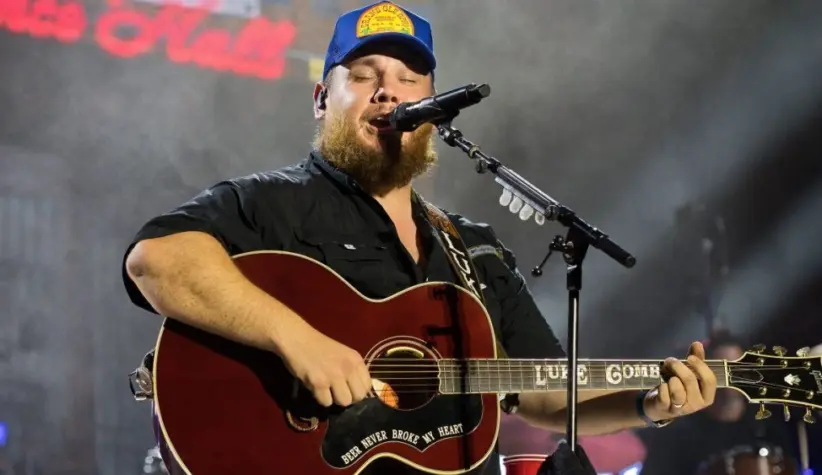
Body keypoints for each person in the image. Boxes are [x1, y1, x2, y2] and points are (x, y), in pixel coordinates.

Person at [121, 2, 718, 474]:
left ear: (431, 110)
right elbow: (157, 260)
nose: (389, 92)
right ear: (322, 98)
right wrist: (296, 339)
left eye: (410, 79)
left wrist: (651, 405)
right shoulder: (270, 204)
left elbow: (544, 396)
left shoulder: (473, 248)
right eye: (364, 75)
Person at [637, 331, 798, 475]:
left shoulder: (769, 428)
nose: (730, 376)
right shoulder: (678, 437)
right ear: (705, 374)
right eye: (722, 368)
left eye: (736, 367)